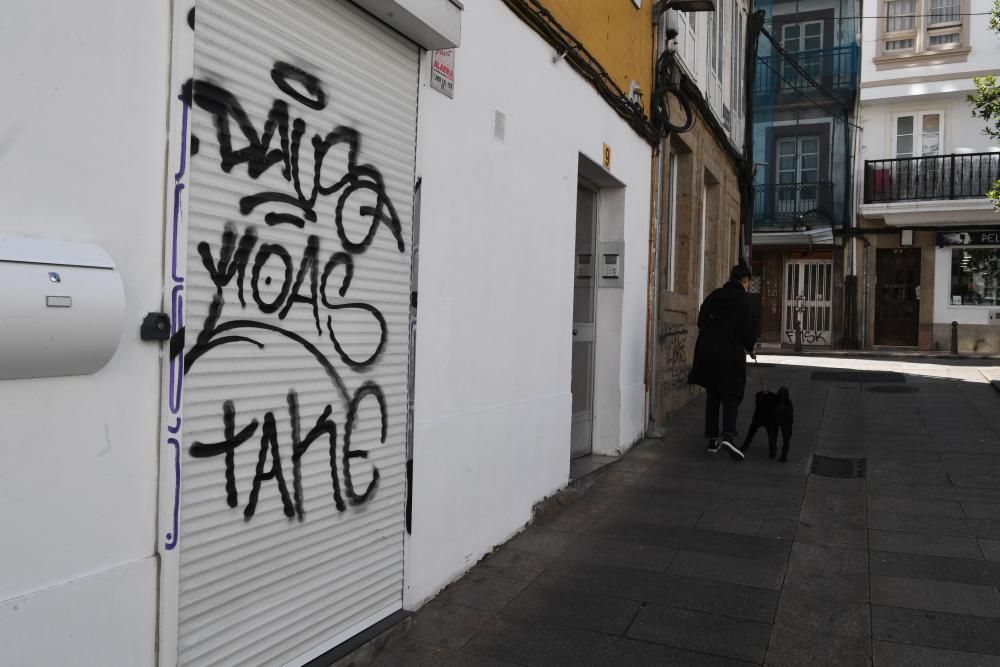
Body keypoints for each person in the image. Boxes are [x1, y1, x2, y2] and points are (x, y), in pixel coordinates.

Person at [687, 264, 758, 460]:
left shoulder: (716, 295)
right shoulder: (745, 301)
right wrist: (750, 347)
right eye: (748, 282)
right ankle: (728, 433)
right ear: (745, 280)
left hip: (707, 352)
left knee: (713, 392)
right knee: (732, 393)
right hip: (730, 355)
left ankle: (711, 439)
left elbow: (701, 319)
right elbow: (748, 331)